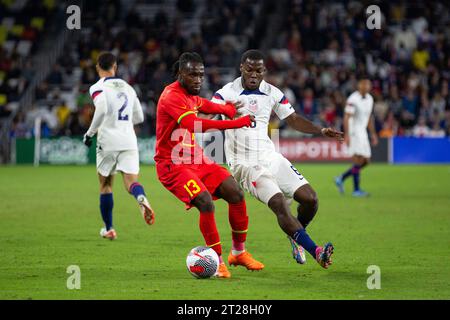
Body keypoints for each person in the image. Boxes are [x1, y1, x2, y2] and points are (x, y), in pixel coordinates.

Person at [211, 50, 343, 268]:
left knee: (310, 199)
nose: (254, 74)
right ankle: (317, 251)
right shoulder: (226, 93)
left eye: (259, 70)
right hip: (244, 165)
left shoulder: (272, 92)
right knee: (279, 203)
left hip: (270, 156)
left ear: (264, 71)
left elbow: (292, 119)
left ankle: (296, 234)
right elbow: (206, 115)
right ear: (241, 68)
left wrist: (320, 130)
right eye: (250, 69)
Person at [154, 52, 264, 278]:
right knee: (205, 202)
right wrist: (236, 122)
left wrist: (227, 108)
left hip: (196, 159)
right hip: (172, 165)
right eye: (192, 75)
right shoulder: (170, 96)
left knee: (236, 193)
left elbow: (205, 105)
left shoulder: (190, 95)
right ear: (180, 74)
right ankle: (217, 262)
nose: (197, 80)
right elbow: (194, 124)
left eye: (201, 75)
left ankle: (239, 253)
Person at [83, 52, 155, 240]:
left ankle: (109, 228)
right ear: (115, 67)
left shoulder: (97, 87)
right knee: (131, 182)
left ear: (98, 67)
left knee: (106, 185)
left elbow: (101, 109)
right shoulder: (129, 88)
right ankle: (140, 197)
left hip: (108, 140)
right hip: (129, 140)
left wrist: (90, 133)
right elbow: (139, 117)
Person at [335, 77, 379, 197]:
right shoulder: (353, 99)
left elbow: (369, 117)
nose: (366, 86)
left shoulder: (370, 98)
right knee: (358, 159)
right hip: (354, 131)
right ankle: (356, 190)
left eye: (368, 84)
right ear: (359, 85)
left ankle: (341, 178)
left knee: (366, 161)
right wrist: (347, 135)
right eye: (364, 84)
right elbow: (346, 117)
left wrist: (373, 133)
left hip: (363, 132)